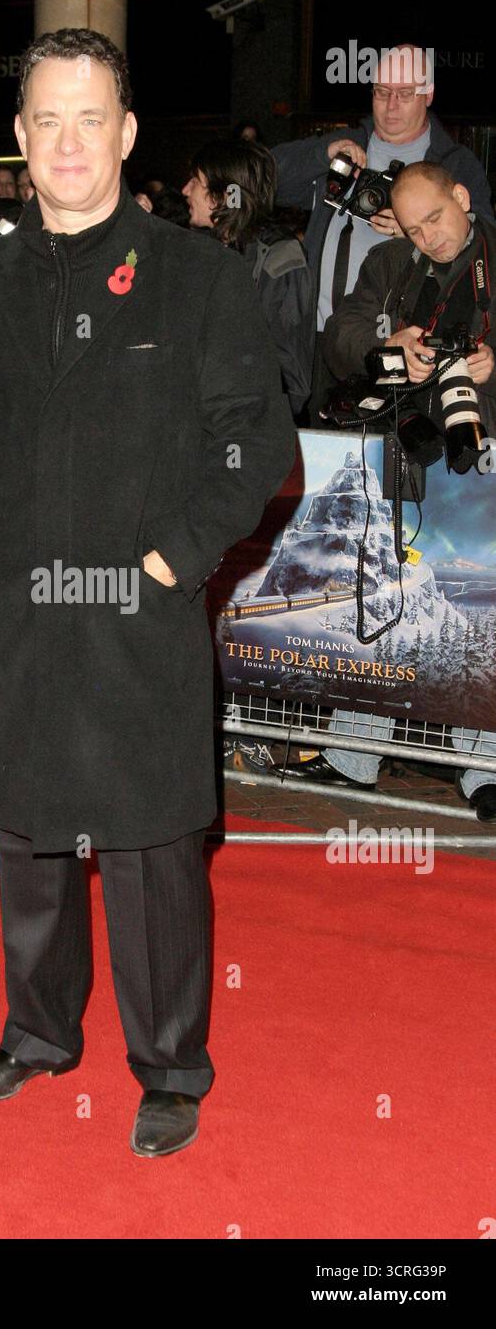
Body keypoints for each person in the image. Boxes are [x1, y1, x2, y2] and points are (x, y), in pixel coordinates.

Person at [0, 27, 296, 1158]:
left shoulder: (201, 275)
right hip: (19, 618)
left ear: (125, 132)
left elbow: (255, 443)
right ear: (20, 140)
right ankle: (37, 1034)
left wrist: (171, 560)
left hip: (140, 621)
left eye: (92, 118)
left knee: (150, 853)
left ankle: (170, 1065)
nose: (70, 142)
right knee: (28, 841)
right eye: (47, 120)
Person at [280, 162, 496, 823]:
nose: (426, 236)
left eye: (435, 218)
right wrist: (387, 343)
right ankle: (354, 753)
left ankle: (482, 766)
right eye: (411, 227)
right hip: (399, 451)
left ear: (461, 198)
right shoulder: (389, 265)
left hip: (481, 457)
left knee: (477, 608)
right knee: (376, 596)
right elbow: (339, 337)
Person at [272, 44, 494, 424]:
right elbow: (262, 180)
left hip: (414, 344)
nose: (391, 106)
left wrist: (412, 235)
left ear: (428, 95)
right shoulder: (346, 149)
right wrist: (323, 153)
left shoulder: (454, 163)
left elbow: (480, 243)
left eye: (405, 94)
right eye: (381, 92)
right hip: (330, 334)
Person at [182, 138, 314, 416]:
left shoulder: (279, 258)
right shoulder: (194, 251)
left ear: (223, 194)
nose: (185, 190)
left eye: (195, 181)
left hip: (249, 429)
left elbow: (292, 380)